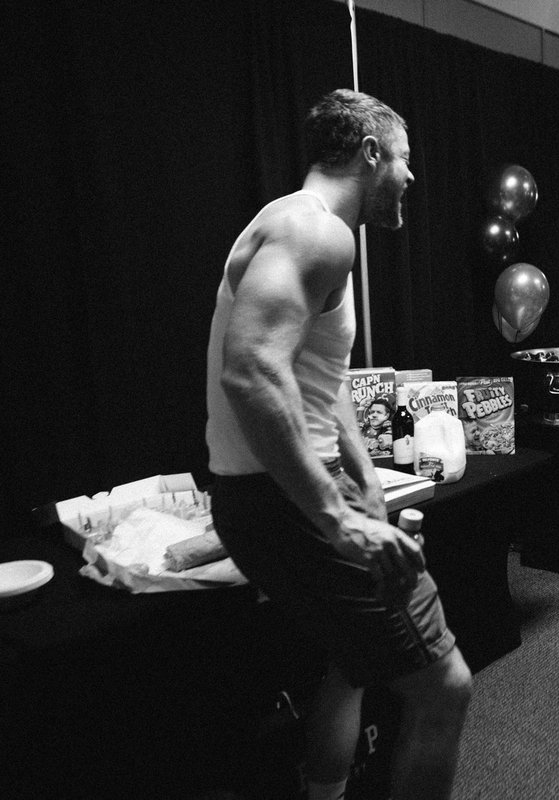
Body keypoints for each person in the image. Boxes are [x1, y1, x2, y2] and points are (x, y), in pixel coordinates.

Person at [205, 89, 471, 800]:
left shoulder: (301, 224)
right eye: (405, 159)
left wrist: (366, 479)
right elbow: (250, 372)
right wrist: (338, 518)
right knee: (445, 687)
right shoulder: (315, 232)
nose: (411, 176)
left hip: (273, 493)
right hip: (284, 497)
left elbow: (317, 376)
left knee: (350, 666)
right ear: (372, 153)